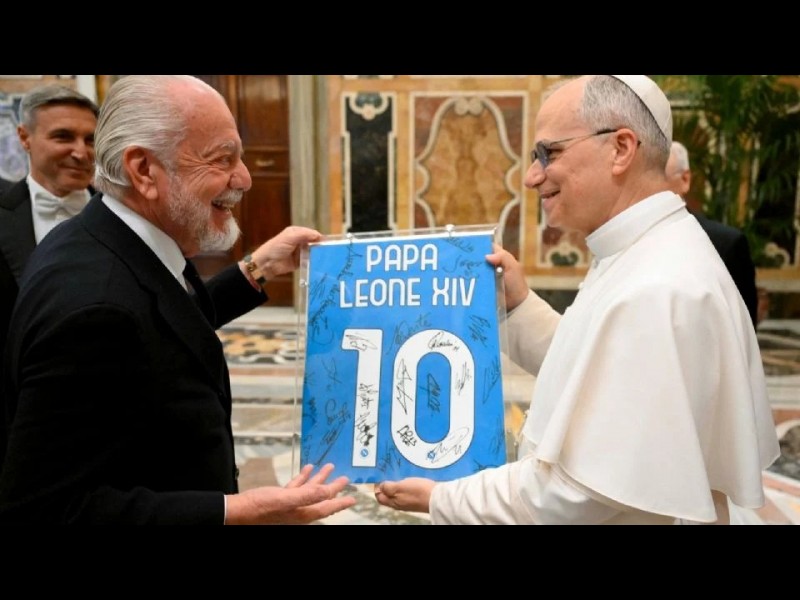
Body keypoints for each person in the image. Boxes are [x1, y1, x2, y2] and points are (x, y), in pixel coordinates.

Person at [374, 75, 780, 524]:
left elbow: (577, 492)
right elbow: (598, 373)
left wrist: (441, 497)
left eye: (549, 153)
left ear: (621, 149)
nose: (532, 176)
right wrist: (518, 306)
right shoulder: (643, 251)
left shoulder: (657, 286)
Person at [0, 75, 356, 525]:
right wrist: (234, 512)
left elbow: (164, 326)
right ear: (144, 170)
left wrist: (258, 267)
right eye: (223, 159)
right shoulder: (95, 310)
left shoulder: (112, 236)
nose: (245, 178)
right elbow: (45, 508)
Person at [0, 85, 98, 365]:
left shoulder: (125, 215)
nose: (81, 153)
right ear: (24, 138)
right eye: (63, 136)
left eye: (90, 140)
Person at [666, 141, 759, 326]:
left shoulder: (726, 243)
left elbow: (743, 326)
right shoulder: (626, 240)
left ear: (685, 179)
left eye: (660, 177)